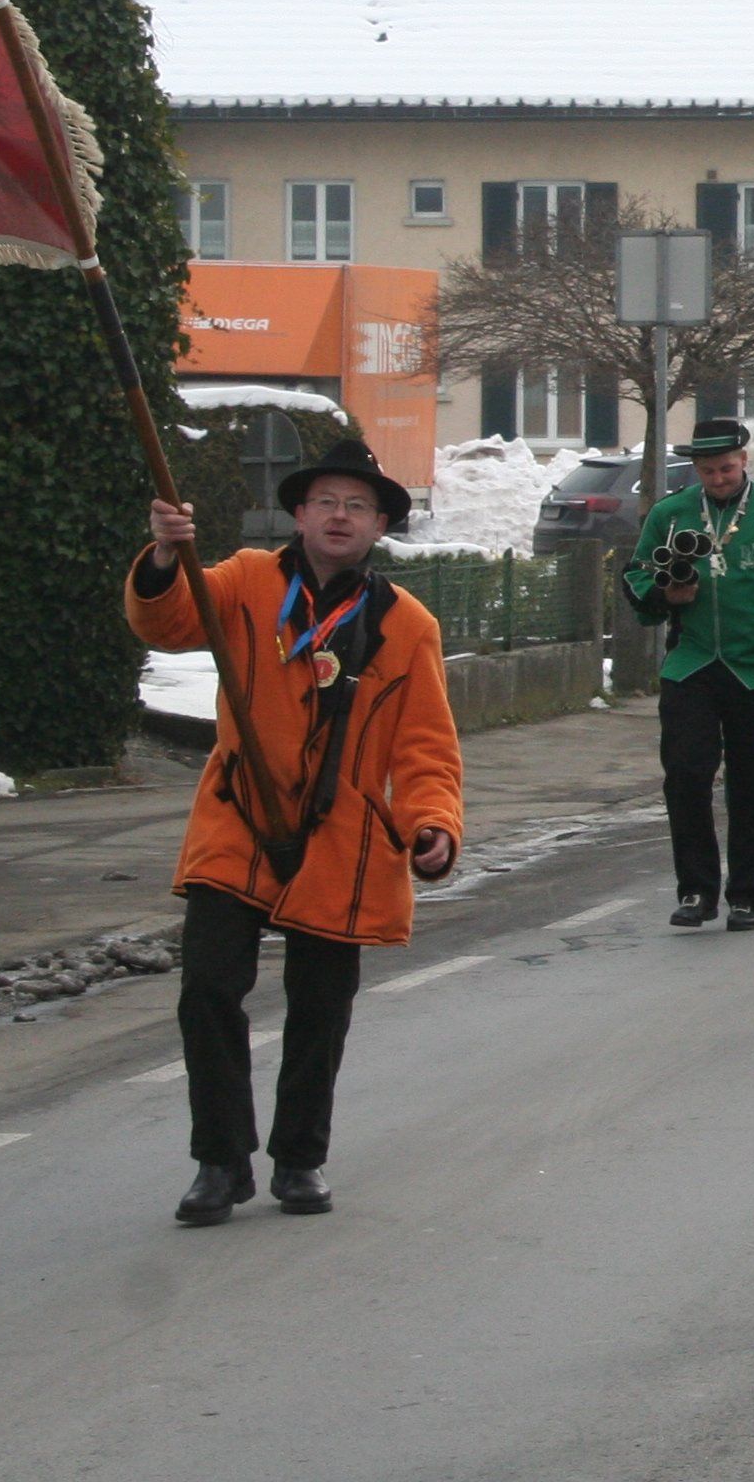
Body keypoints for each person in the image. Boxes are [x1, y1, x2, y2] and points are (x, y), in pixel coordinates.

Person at [130, 441, 462, 1226]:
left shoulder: (407, 625)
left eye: (358, 506)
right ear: (301, 515)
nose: (340, 516)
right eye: (327, 503)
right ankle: (220, 1161)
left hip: (340, 840)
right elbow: (170, 621)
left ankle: (300, 1159)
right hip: (238, 820)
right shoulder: (246, 580)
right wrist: (165, 555)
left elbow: (425, 746)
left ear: (380, 524)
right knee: (208, 988)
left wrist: (433, 824)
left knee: (321, 1007)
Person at [623, 418, 754, 932]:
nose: (718, 478)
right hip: (691, 665)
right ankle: (696, 889)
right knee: (686, 775)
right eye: (708, 471)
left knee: (753, 783)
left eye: (727, 468)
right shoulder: (670, 513)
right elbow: (637, 574)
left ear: (744, 461)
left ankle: (746, 892)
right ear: (695, 469)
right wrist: (664, 595)